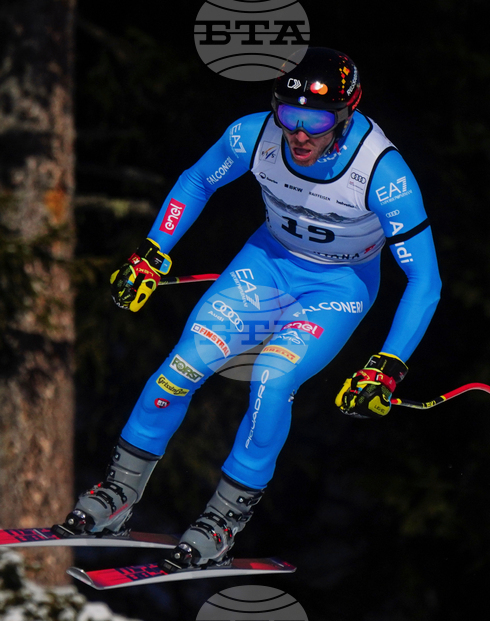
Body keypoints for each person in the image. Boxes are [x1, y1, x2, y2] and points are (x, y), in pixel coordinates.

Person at [55, 47, 442, 572]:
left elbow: (425, 278)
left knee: (272, 380)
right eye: (289, 115)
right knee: (182, 365)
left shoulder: (382, 172)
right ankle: (118, 494)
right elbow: (197, 180)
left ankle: (221, 521)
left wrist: (388, 362)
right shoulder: (253, 135)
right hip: (265, 266)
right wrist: (154, 250)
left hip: (338, 287)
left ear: (346, 115)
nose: (299, 133)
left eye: (316, 120)